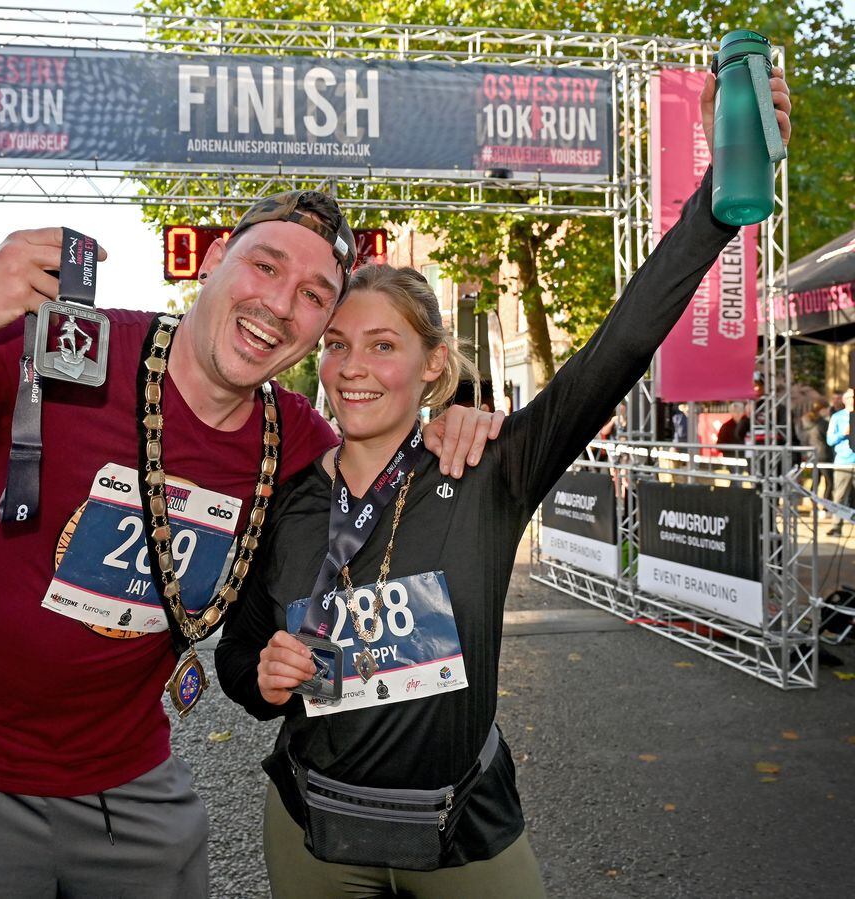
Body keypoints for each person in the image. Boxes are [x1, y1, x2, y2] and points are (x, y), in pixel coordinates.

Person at [0, 191, 500, 897]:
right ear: (212, 264)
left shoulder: (297, 439)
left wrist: (451, 431)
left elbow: (386, 477)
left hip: (130, 779)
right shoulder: (66, 348)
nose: (280, 304)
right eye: (266, 265)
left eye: (313, 296)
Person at [215, 72, 792, 896]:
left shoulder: (486, 468)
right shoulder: (288, 493)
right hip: (315, 832)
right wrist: (263, 678)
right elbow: (240, 656)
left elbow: (620, 346)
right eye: (337, 344)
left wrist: (713, 192)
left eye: (384, 346)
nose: (352, 368)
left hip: (466, 837)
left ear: (433, 367)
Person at [826, 387, 855, 536]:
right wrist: (843, 433)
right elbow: (830, 440)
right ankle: (836, 526)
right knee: (840, 496)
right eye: (850, 397)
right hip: (843, 461)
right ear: (845, 400)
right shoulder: (837, 417)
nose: (853, 400)